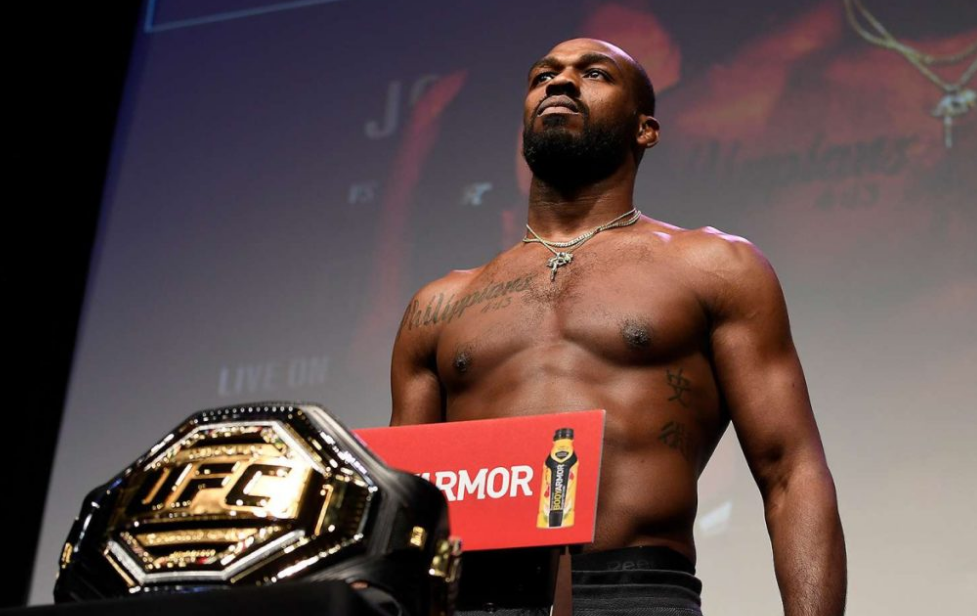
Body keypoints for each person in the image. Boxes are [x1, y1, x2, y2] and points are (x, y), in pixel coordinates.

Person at [390, 38, 846, 616]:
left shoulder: (713, 267)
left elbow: (791, 471)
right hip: (472, 596)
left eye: (595, 74)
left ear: (645, 129)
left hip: (635, 591)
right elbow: (400, 508)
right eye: (543, 76)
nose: (560, 82)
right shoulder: (441, 303)